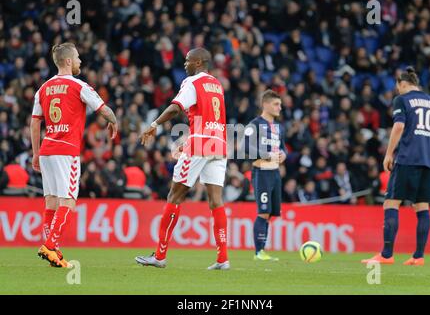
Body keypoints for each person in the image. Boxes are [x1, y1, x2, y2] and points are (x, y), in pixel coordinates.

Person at [135, 48, 229, 270]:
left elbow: (176, 109)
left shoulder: (192, 82)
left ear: (198, 62)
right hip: (220, 143)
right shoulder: (217, 84)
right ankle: (223, 258)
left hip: (199, 142)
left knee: (175, 195)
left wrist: (153, 125)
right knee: (216, 200)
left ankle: (159, 256)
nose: (184, 64)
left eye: (188, 61)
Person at [31, 42, 118, 267]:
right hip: (66, 151)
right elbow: (103, 109)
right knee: (68, 201)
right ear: (68, 61)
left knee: (51, 200)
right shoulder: (79, 86)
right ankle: (50, 246)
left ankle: (53, 250)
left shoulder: (43, 88)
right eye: (78, 57)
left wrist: (35, 153)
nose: (80, 61)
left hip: (47, 149)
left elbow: (34, 123)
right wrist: (114, 121)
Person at [361, 67, 430, 266]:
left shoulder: (403, 99)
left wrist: (389, 153)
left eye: (397, 86)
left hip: (407, 159)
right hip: (427, 163)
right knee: (422, 207)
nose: (397, 90)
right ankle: (418, 256)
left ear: (403, 84)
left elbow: (398, 126)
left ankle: (387, 254)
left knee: (391, 202)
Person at [243, 90, 287, 261]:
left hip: (275, 172)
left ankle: (262, 250)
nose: (280, 108)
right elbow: (245, 148)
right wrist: (267, 155)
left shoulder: (278, 127)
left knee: (270, 213)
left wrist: (284, 154)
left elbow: (283, 147)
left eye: (280, 104)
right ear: (265, 104)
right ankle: (258, 252)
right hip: (261, 172)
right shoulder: (254, 125)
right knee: (263, 211)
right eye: (276, 104)